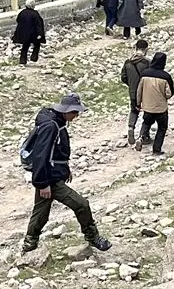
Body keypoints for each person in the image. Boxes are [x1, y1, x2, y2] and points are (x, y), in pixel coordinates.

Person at [23, 94, 111, 253]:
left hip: (50, 176)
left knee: (40, 213)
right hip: (51, 179)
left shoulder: (56, 122)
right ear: (66, 111)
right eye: (75, 112)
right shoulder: (51, 127)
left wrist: (65, 168)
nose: (77, 116)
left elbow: (55, 153)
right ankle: (93, 237)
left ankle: (29, 245)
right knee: (81, 205)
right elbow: (41, 156)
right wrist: (43, 184)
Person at [135, 52, 174, 155]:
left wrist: (138, 104)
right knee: (162, 128)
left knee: (146, 123)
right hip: (161, 108)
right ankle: (156, 149)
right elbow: (169, 93)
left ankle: (141, 137)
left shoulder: (144, 74)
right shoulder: (165, 77)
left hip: (147, 107)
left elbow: (139, 91)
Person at [120, 40, 151, 147]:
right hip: (145, 92)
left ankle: (131, 127)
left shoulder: (128, 62)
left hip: (133, 92)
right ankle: (144, 135)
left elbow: (123, 77)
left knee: (134, 110)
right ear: (146, 49)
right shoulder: (147, 62)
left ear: (135, 48)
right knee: (148, 113)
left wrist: (131, 84)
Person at [13, 0, 46, 66]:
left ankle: (22, 61)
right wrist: (40, 34)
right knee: (37, 45)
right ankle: (33, 58)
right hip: (33, 34)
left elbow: (18, 20)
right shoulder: (35, 14)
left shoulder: (22, 12)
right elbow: (38, 24)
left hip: (24, 33)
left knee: (25, 46)